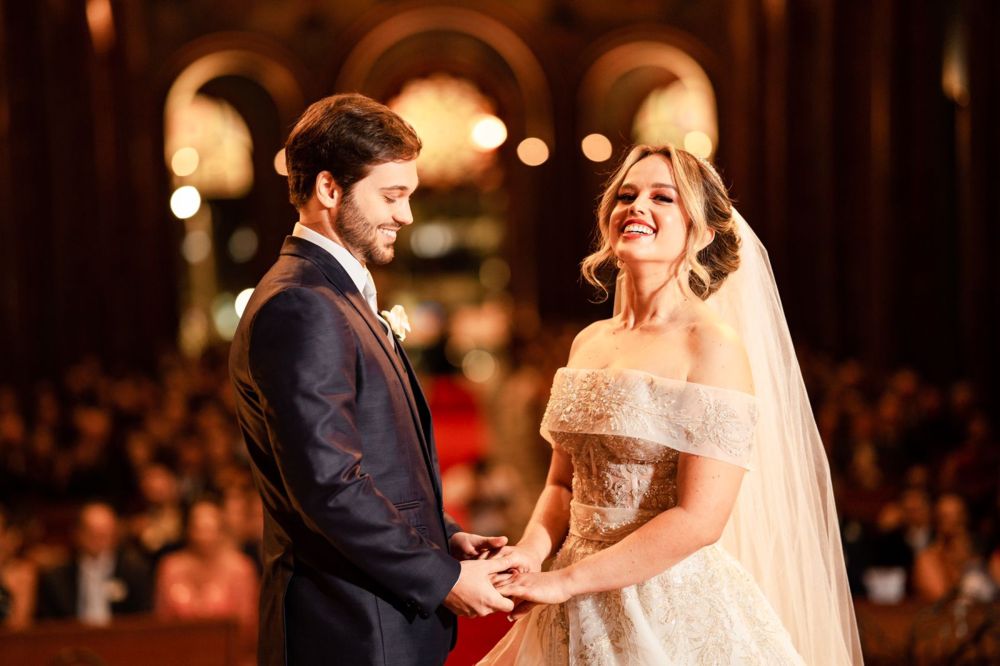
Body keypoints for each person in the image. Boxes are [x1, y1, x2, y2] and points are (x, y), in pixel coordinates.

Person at [480, 145, 862, 664]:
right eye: (627, 195)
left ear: (702, 232)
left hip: (664, 599)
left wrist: (568, 581)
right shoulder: (588, 342)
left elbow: (700, 519)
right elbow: (562, 484)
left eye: (663, 197)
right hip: (567, 593)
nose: (637, 206)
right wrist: (530, 553)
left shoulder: (712, 346)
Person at [229, 93, 513, 666]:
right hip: (349, 628)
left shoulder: (331, 293)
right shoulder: (301, 305)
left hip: (373, 616)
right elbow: (329, 486)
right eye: (391, 195)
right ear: (329, 190)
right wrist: (442, 577)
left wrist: (444, 532)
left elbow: (378, 459)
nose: (406, 215)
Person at [155, 499, 259, 660]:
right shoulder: (170, 566)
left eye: (210, 528)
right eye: (198, 528)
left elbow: (248, 625)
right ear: (188, 529)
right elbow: (162, 621)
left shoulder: (240, 568)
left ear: (221, 530)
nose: (204, 536)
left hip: (229, 657)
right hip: (180, 656)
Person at [36, 501, 152, 624]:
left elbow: (143, 619)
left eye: (105, 533)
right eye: (93, 533)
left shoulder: (134, 571)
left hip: (123, 640)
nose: (99, 540)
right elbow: (49, 626)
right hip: (73, 641)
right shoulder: (56, 579)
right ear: (78, 533)